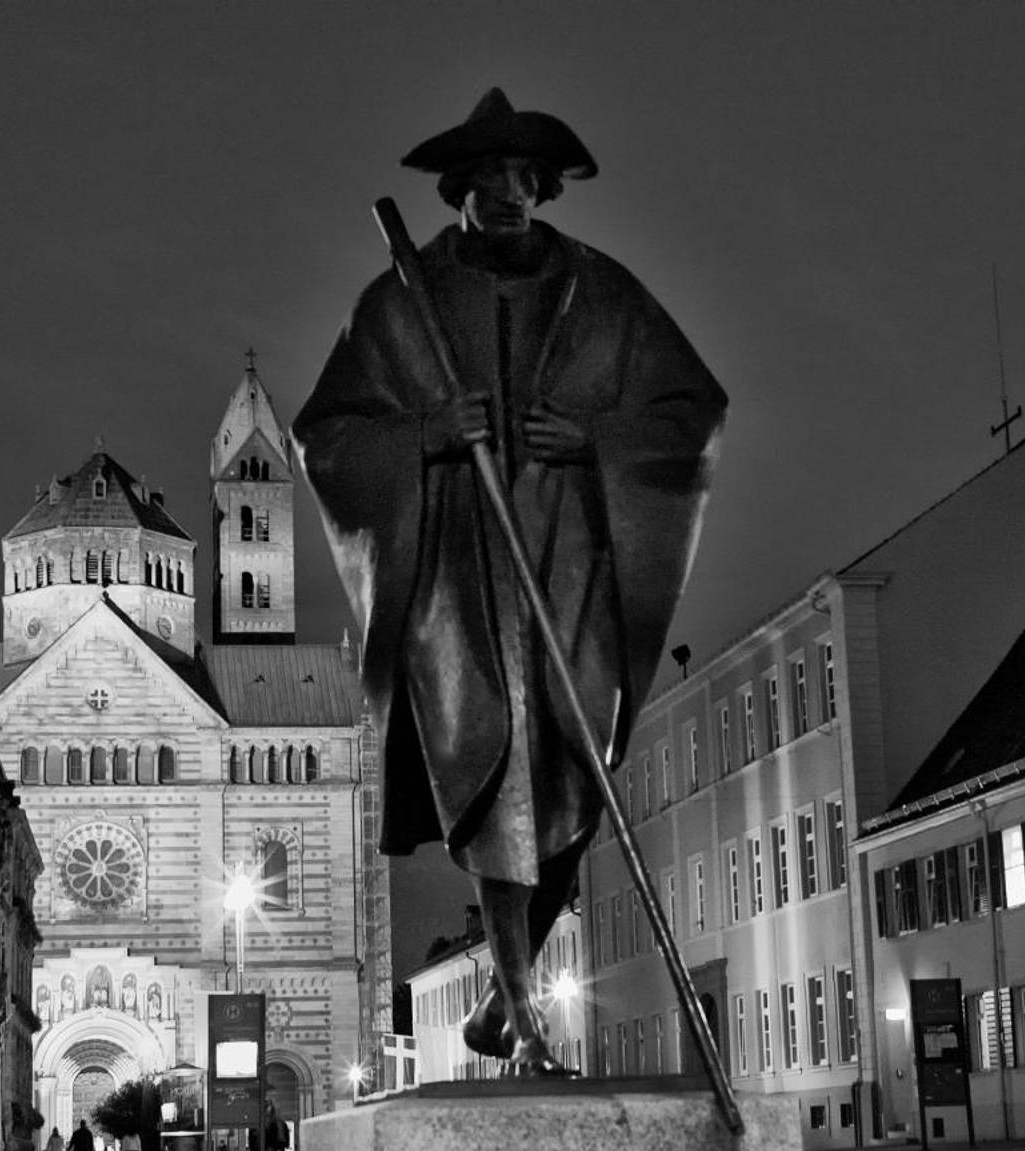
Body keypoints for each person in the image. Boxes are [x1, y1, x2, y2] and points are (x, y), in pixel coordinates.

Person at [295, 89, 725, 1076]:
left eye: (520, 178)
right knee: (495, 777)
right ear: (458, 189)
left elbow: (689, 410)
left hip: (570, 560)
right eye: (484, 179)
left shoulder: (602, 291)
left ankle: (502, 990)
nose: (503, 194)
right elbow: (329, 434)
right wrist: (424, 438)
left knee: (578, 768)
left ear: (543, 187)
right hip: (459, 567)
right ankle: (525, 1027)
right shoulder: (401, 298)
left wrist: (594, 439)